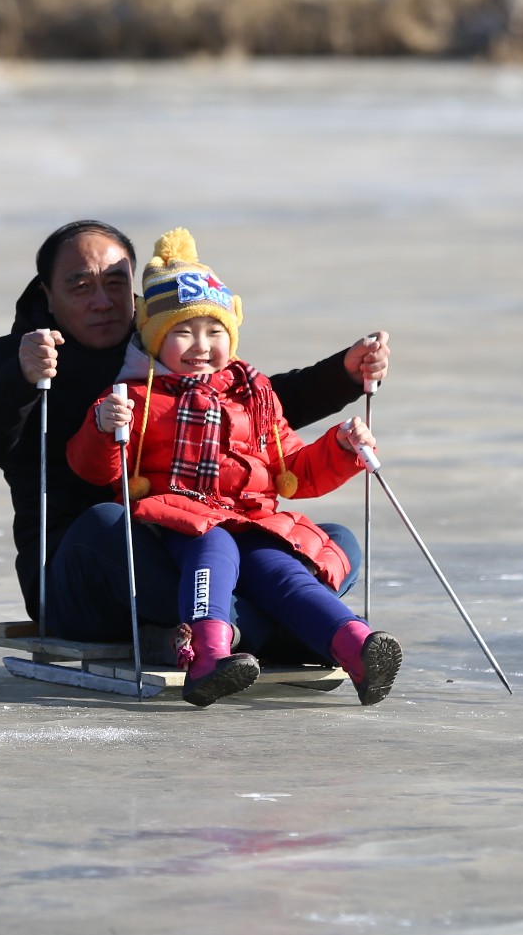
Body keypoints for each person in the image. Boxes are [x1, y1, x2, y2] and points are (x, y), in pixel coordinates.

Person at [0, 219, 389, 658]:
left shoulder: (166, 336)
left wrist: (344, 375)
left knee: (327, 540)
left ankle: (223, 630)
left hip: (196, 540)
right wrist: (21, 377)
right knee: (105, 524)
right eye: (81, 286)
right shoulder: (25, 355)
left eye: (115, 283)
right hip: (88, 568)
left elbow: (244, 413)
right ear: (47, 294)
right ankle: (284, 629)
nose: (102, 301)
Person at [66, 229, 403, 708]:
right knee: (215, 543)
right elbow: (96, 470)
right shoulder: (137, 398)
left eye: (214, 331)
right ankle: (208, 656)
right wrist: (103, 427)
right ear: (156, 339)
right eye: (183, 332)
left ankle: (356, 646)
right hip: (181, 518)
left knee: (283, 569)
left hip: (251, 519)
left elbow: (295, 471)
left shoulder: (254, 397)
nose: (201, 345)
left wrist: (342, 448)